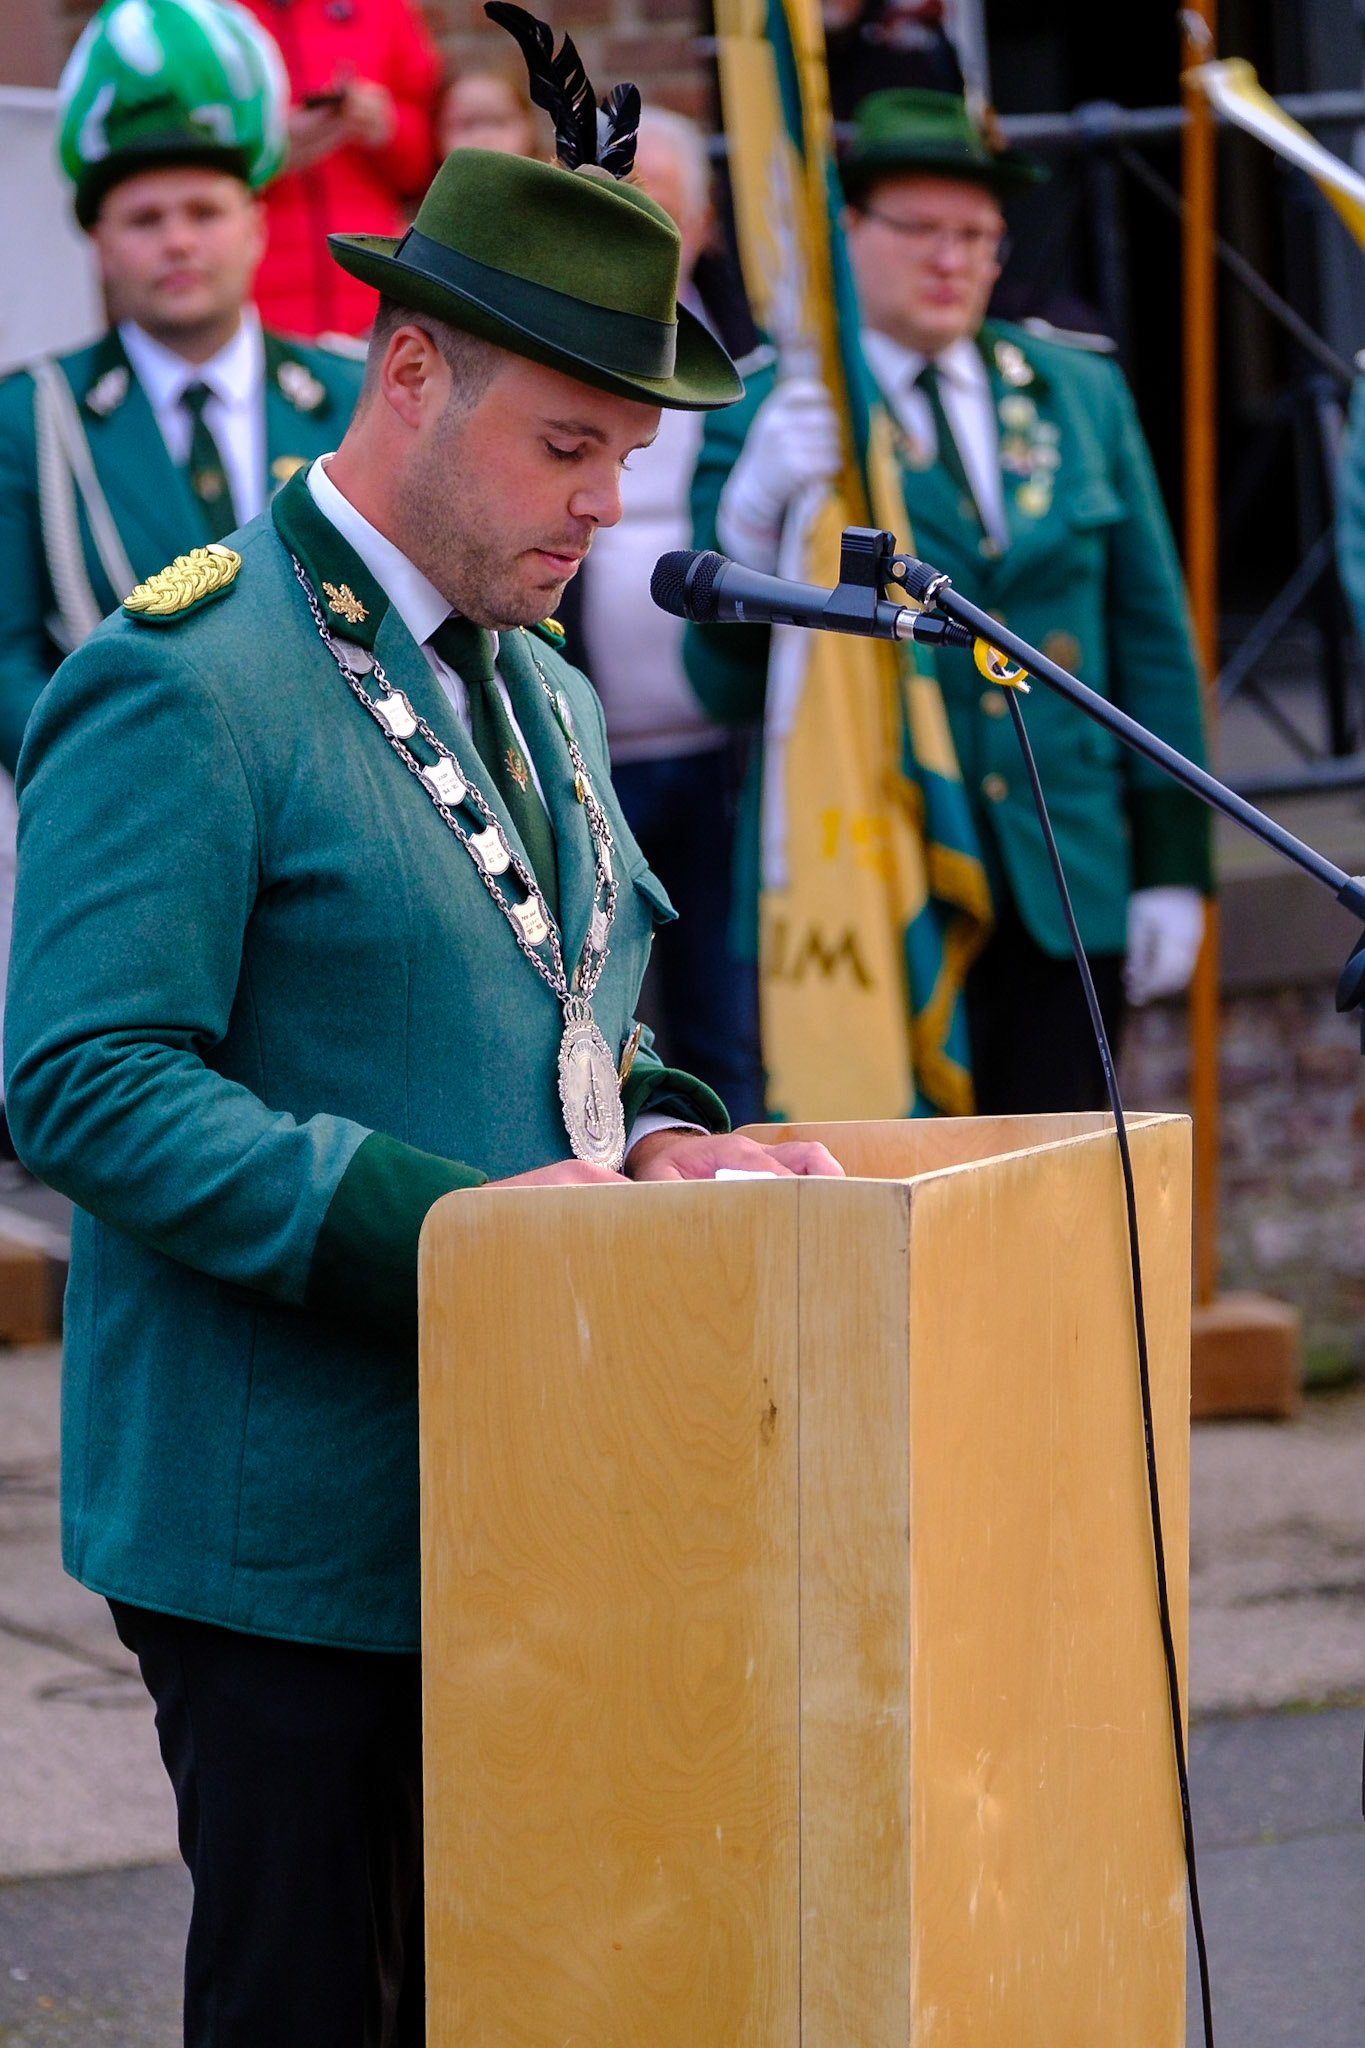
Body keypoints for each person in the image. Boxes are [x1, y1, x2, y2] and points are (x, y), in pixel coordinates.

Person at [5, 19, 842, 2035]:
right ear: (406, 373)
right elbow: (80, 1081)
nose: (605, 505)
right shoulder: (187, 668)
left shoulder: (533, 669)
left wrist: (663, 1135)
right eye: (568, 444)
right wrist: (445, 1235)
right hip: (278, 1521)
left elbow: (578, 1006)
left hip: (526, 1480)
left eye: (627, 459)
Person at [688, 88, 1213, 1113]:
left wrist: (1173, 863)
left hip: (1066, 869)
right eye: (921, 228)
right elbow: (716, 686)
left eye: (978, 235)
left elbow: (1150, 640)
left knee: (1071, 1211)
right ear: (845, 233)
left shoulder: (1075, 390)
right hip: (880, 881)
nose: (952, 259)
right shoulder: (770, 410)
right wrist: (752, 524)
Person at [0, 0, 362, 1165]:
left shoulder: (354, 399)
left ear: (259, 223)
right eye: (143, 216)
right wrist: (124, 781)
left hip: (339, 843)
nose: (177, 240)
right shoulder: (33, 416)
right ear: (98, 240)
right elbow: (7, 649)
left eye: (205, 209)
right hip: (136, 861)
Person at [554, 106, 766, 1125]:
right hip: (588, 745)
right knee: (594, 1018)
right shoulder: (559, 344)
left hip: (716, 746)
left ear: (708, 226)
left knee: (726, 1020)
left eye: (669, 215)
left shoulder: (748, 362)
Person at [240, 0, 442, 338]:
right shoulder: (202, 14)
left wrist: (387, 129)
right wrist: (266, 153)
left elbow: (428, 166)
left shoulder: (383, 9)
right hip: (253, 305)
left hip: (371, 297)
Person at [436, 61, 539, 158]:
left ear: (530, 124)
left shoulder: (552, 175)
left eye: (497, 122)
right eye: (467, 125)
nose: (482, 138)